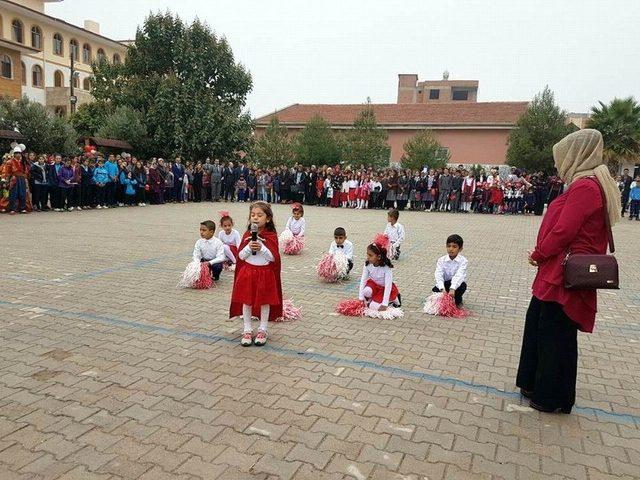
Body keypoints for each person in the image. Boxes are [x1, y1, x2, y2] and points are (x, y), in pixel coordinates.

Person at [516, 129, 621, 414]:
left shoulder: (586, 186)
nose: (558, 164)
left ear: (576, 155)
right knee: (540, 325)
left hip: (564, 274)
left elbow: (564, 230)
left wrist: (539, 254)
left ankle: (551, 397)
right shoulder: (584, 184)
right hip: (557, 270)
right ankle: (533, 384)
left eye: (561, 158)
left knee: (554, 335)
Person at [229, 201, 283, 347]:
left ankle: (263, 329)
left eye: (260, 215)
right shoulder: (247, 234)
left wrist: (262, 248)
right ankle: (247, 329)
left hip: (265, 273)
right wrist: (248, 247)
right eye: (253, 215)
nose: (255, 218)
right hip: (248, 272)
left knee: (264, 301)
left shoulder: (271, 235)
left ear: (268, 218)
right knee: (246, 301)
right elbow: (240, 256)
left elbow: (274, 258)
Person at [358, 239, 401, 311]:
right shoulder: (367, 264)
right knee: (366, 291)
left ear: (378, 257)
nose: (367, 257)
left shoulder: (386, 268)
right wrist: (361, 298)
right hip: (374, 285)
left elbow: (388, 285)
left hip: (384, 288)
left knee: (373, 306)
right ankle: (374, 299)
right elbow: (363, 281)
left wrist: (384, 304)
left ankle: (393, 298)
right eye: (367, 254)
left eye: (370, 255)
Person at [432, 234, 468, 307]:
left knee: (462, 286)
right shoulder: (441, 260)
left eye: (454, 247)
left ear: (460, 249)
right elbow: (438, 274)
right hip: (445, 284)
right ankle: (446, 297)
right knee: (436, 290)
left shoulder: (463, 261)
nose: (451, 249)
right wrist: (442, 288)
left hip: (456, 285)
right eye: (449, 246)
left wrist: (453, 288)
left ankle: (458, 300)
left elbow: (459, 275)